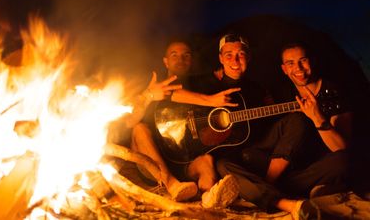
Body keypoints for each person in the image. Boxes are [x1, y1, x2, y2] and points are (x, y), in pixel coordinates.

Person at [216, 41, 352, 219]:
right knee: (223, 163)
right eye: (291, 63)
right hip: (274, 159)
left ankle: (264, 190)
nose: (299, 68)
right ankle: (288, 189)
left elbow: (341, 147)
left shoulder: (332, 93)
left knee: (345, 160)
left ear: (312, 61)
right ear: (284, 69)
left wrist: (317, 117)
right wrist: (217, 78)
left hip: (307, 167)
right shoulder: (278, 90)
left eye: (303, 61)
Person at [130, 40, 240, 205]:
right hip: (153, 163)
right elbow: (129, 121)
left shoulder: (200, 84)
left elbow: (229, 78)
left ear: (191, 60)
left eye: (186, 55)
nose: (180, 59)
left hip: (183, 162)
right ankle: (171, 184)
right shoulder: (152, 86)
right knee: (139, 129)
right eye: (174, 55)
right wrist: (147, 96)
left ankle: (208, 199)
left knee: (207, 161)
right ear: (165, 61)